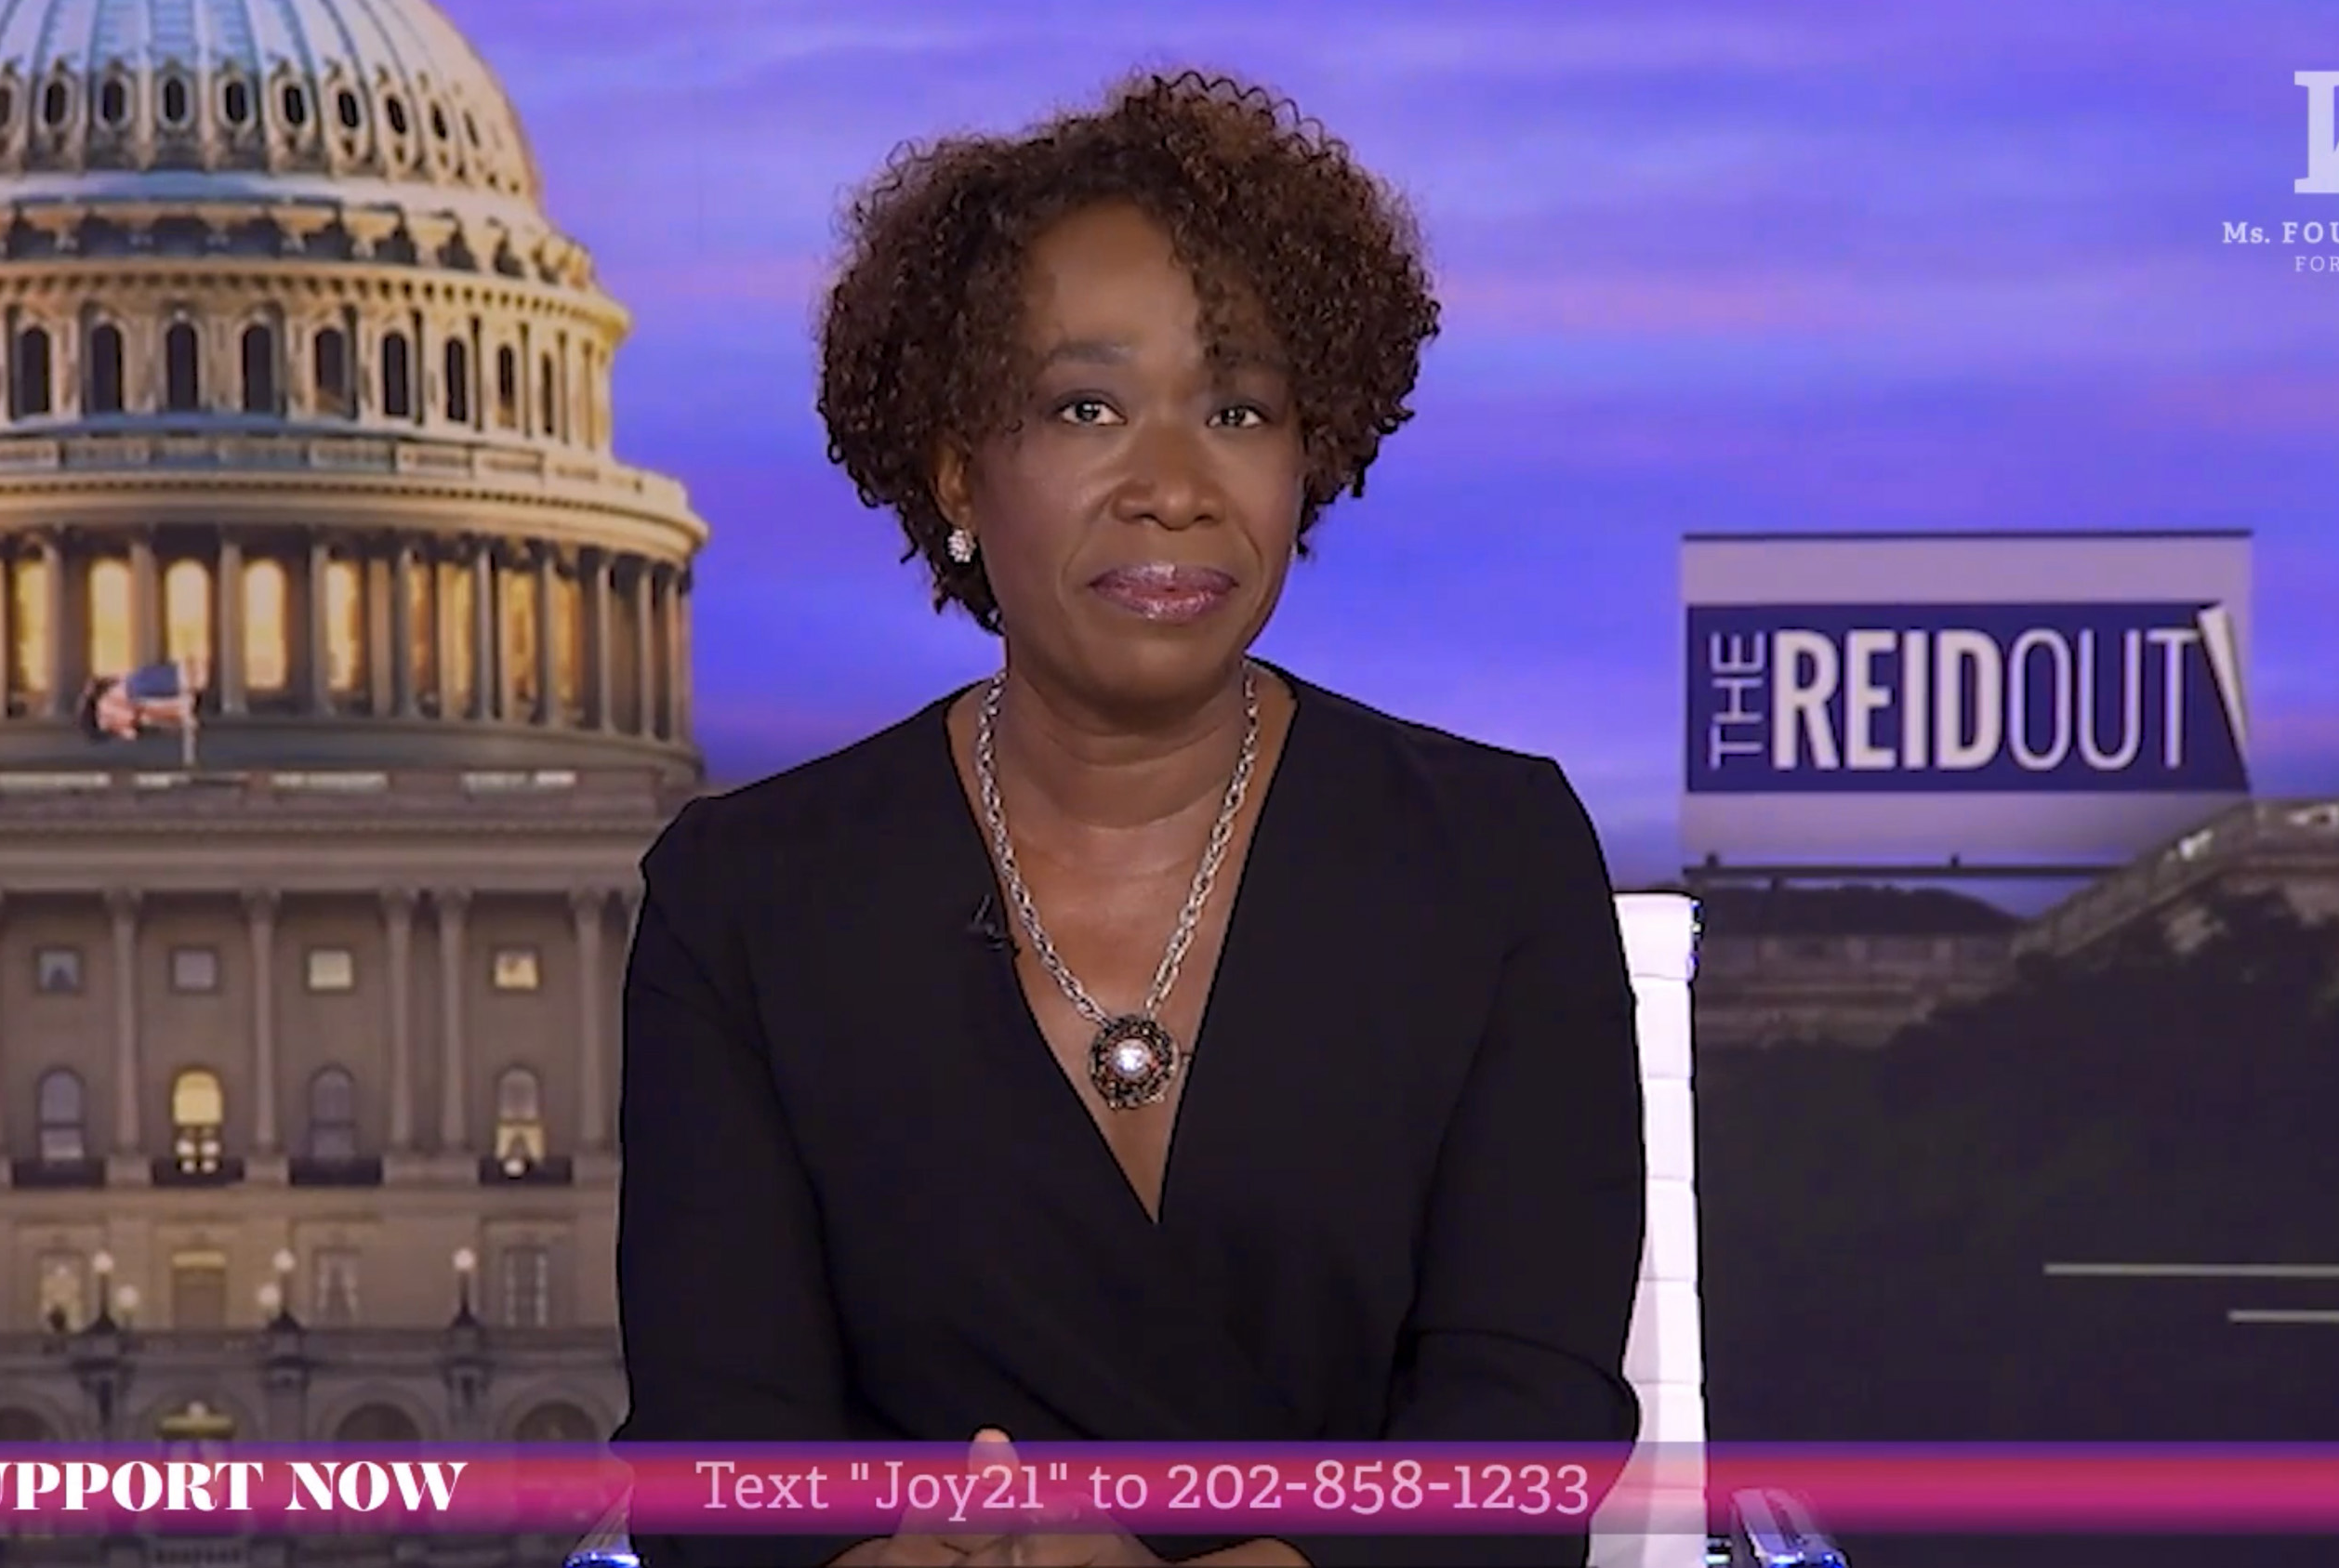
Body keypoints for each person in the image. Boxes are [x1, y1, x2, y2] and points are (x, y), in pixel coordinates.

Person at [614, 72, 1645, 1568]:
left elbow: (1526, 1425)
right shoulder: (747, 903)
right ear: (960, 465)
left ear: (1311, 460)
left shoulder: (1495, 860)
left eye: (1237, 408)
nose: (1171, 486)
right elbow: (721, 1465)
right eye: (1085, 408)